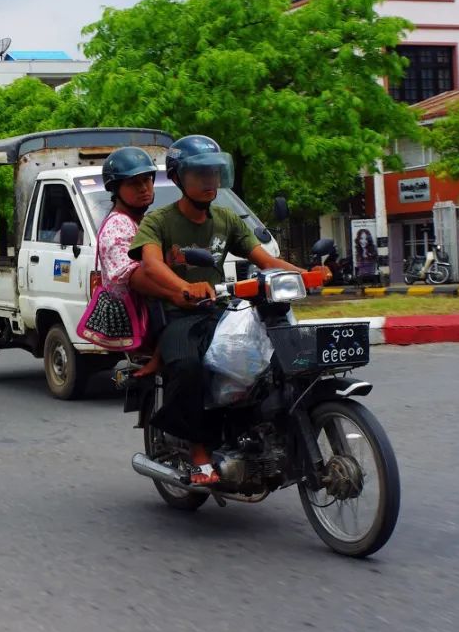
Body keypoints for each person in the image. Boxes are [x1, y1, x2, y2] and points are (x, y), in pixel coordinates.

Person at [128, 135, 330, 486]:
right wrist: (183, 287)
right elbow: (150, 265)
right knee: (191, 367)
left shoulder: (226, 219)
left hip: (220, 312)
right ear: (178, 178)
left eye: (215, 173)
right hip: (178, 316)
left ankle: (257, 433)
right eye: (200, 173)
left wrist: (305, 275)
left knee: (267, 359)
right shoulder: (159, 222)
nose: (210, 181)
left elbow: (266, 260)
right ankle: (198, 451)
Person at [95, 147, 186, 376]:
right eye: (134, 183)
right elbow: (135, 278)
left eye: (147, 179)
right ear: (116, 189)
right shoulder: (117, 226)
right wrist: (178, 292)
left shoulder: (143, 222)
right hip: (141, 313)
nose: (144, 187)